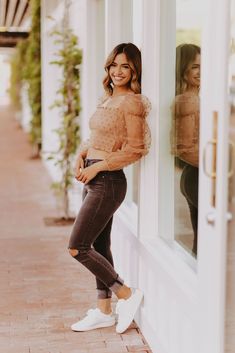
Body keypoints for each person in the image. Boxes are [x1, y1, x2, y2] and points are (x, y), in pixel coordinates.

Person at [68, 43, 151, 333]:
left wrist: (98, 167)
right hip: (92, 179)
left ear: (135, 70)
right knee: (99, 245)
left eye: (125, 66)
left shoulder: (132, 102)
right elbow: (96, 136)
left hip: (108, 182)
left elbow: (136, 149)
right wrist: (81, 155)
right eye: (114, 65)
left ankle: (126, 294)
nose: (118, 71)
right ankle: (104, 311)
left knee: (77, 247)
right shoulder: (109, 99)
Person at [172, 44, 200, 255]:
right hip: (198, 177)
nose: (201, 72)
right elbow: (185, 148)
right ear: (183, 69)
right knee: (205, 242)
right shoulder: (188, 100)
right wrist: (215, 167)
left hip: (197, 176)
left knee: (202, 240)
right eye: (195, 67)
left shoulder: (196, 98)